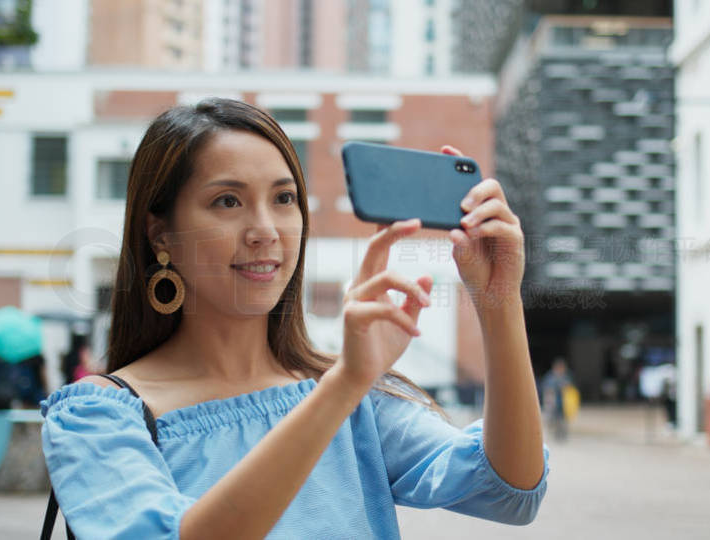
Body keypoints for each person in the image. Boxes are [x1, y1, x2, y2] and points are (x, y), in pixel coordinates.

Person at [40, 99, 549, 538]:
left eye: (284, 198)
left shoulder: (354, 400)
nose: (266, 230)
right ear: (161, 234)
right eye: (227, 201)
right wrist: (344, 385)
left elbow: (511, 490)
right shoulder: (98, 418)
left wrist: (498, 301)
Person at [541, 358, 574, 441]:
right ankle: (555, 435)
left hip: (563, 403)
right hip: (553, 402)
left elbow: (569, 388)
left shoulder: (565, 377)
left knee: (563, 420)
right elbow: (548, 390)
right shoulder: (550, 377)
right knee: (553, 419)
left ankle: (562, 435)